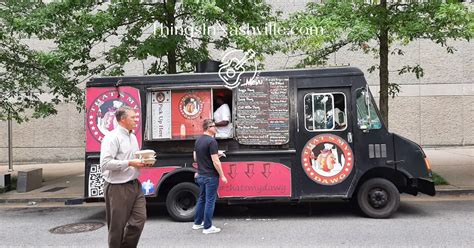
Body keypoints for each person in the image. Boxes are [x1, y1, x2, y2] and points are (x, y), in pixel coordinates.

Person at [100, 106, 147, 248]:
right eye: (133, 117)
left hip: (135, 185)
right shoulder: (111, 137)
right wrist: (130, 162)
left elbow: (134, 158)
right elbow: (105, 164)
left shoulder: (132, 136)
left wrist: (142, 161)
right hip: (117, 187)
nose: (136, 120)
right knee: (117, 228)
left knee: (139, 220)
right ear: (122, 119)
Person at [192, 119, 228, 234]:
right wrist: (222, 175)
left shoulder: (198, 140)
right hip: (210, 176)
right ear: (208, 128)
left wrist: (214, 154)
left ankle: (197, 223)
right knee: (210, 201)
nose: (216, 128)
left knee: (201, 199)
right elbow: (216, 162)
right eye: (214, 126)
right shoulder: (212, 142)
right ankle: (207, 227)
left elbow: (195, 157)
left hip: (201, 175)